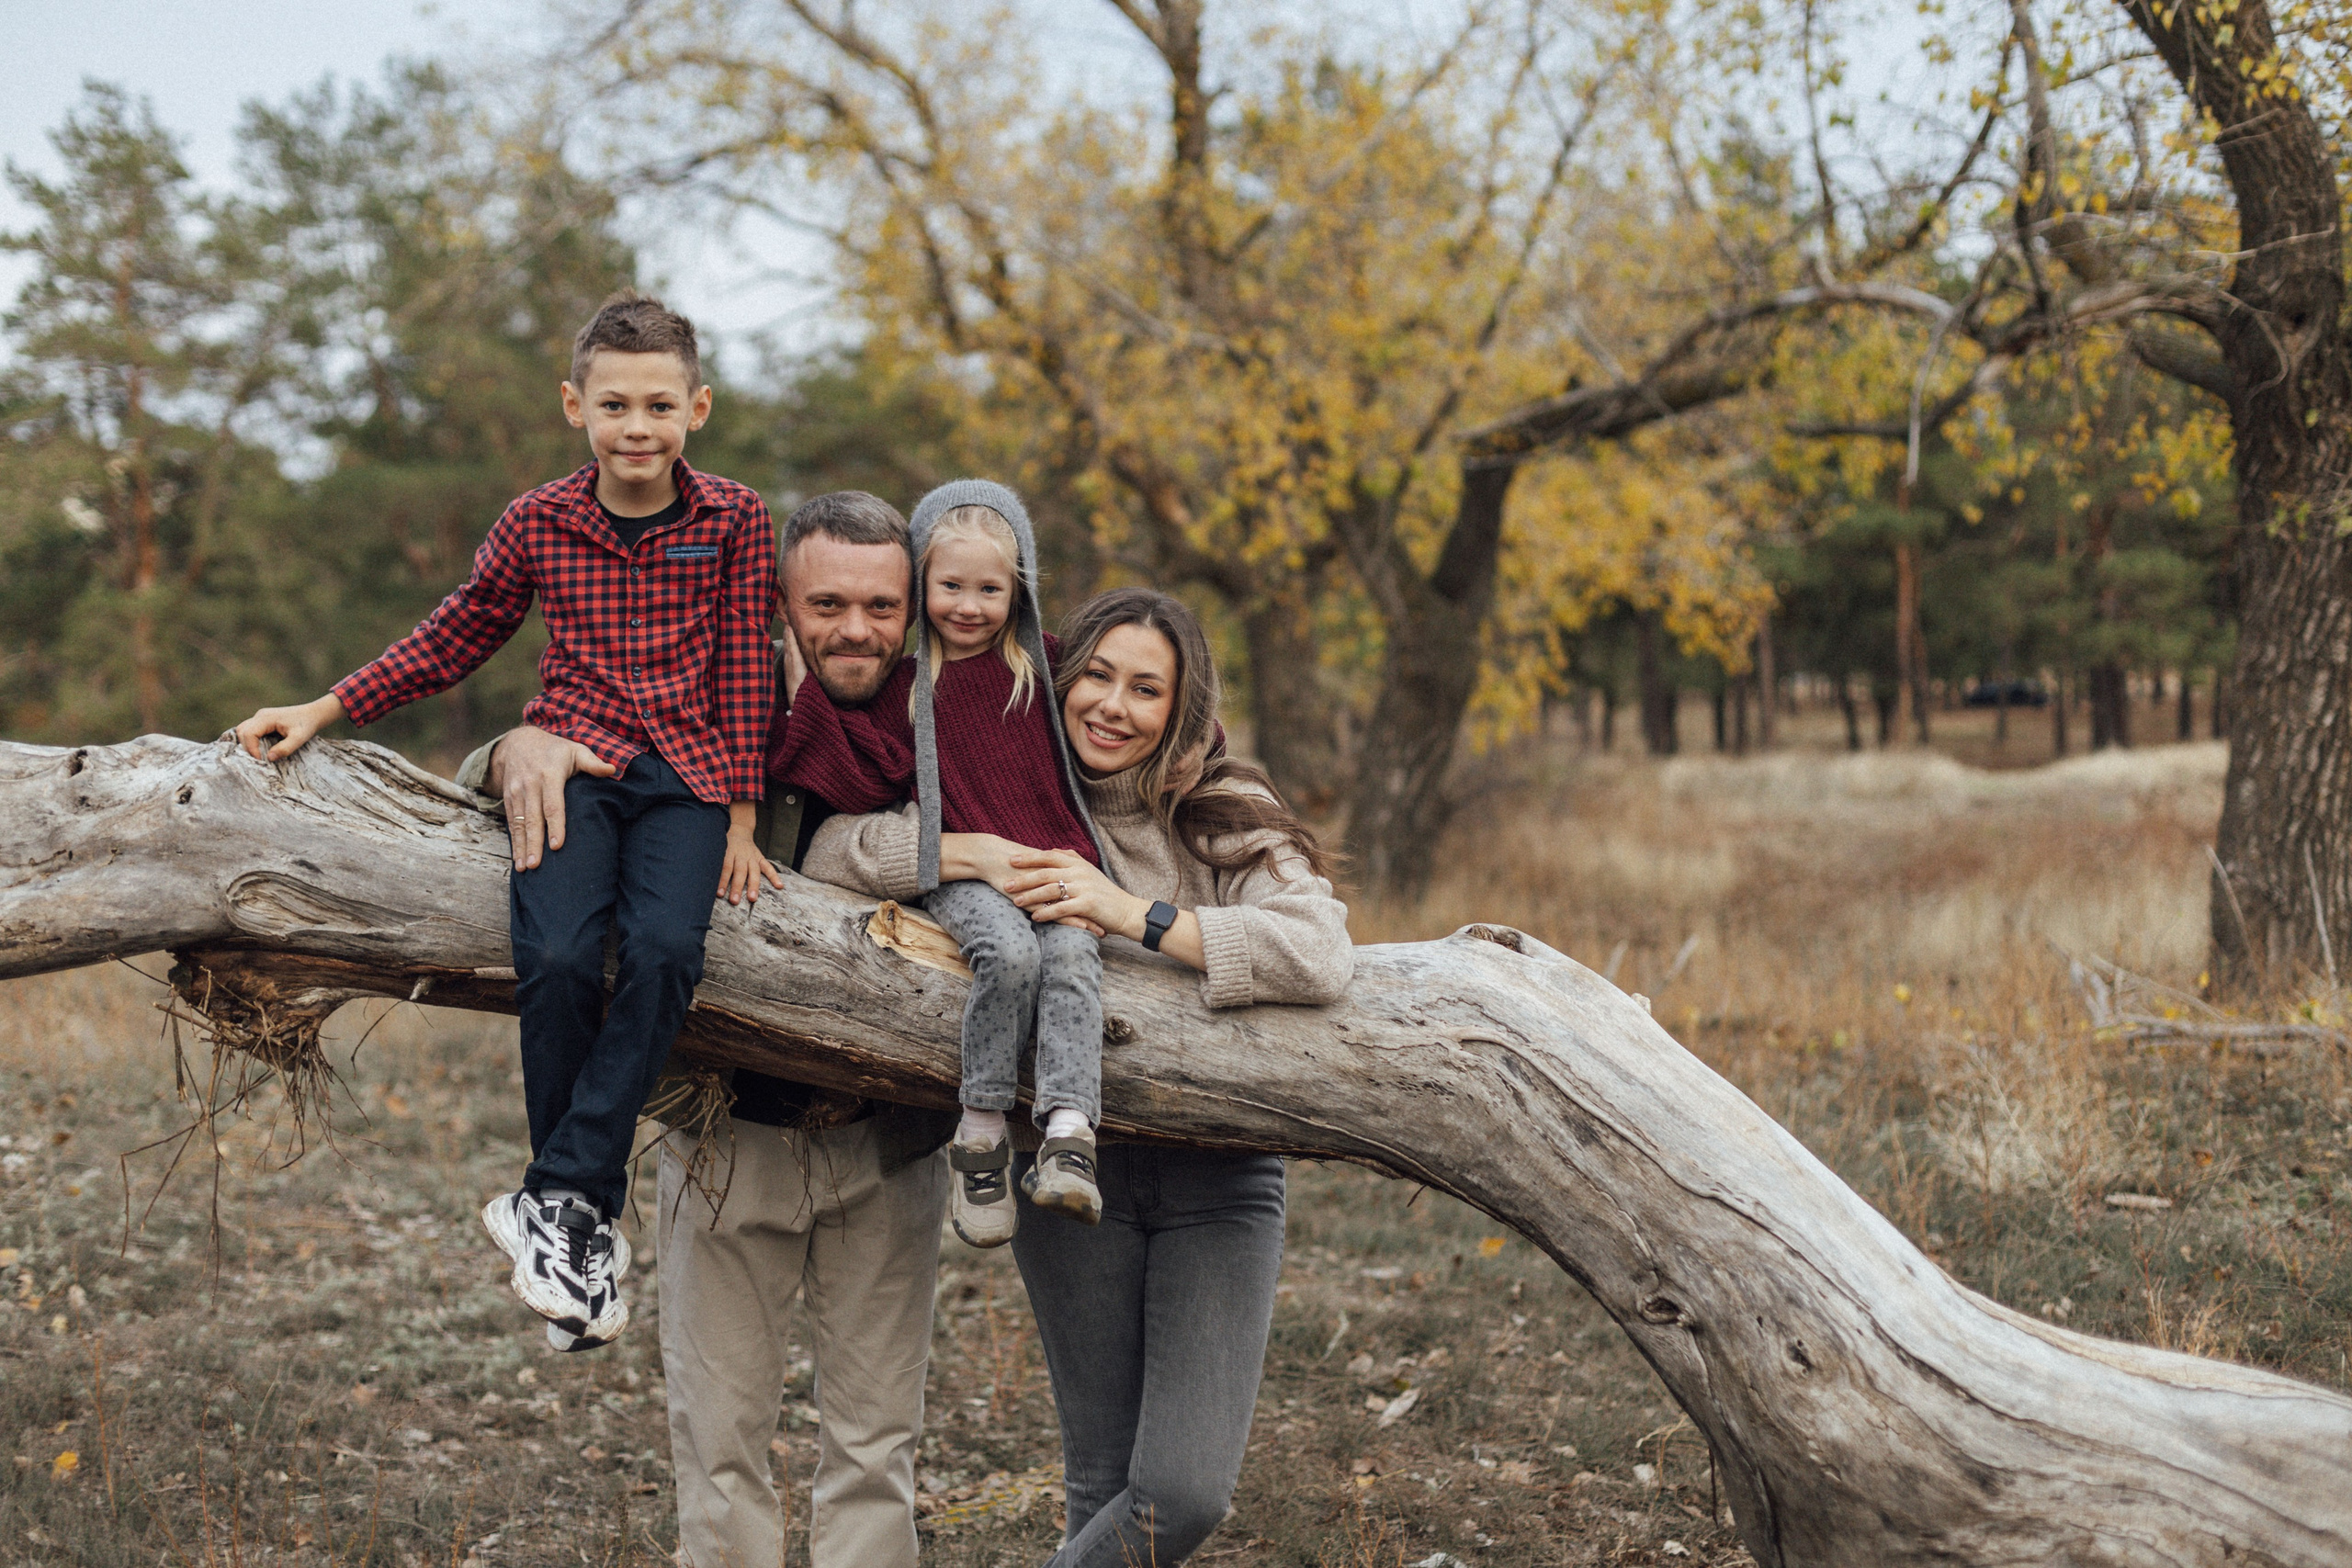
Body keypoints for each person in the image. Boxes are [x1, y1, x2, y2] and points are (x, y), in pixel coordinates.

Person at [232, 291, 776, 1349]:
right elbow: (454, 635)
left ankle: (557, 1206)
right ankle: (575, 1222)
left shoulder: (737, 518)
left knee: (665, 949)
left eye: (659, 405)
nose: (636, 427)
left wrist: (744, 816)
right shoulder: (539, 521)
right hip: (567, 764)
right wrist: (322, 708)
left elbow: (750, 668)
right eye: (613, 403)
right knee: (564, 955)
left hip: (691, 775)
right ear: (574, 404)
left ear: (698, 409)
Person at [805, 584, 1353, 1567]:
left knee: (1181, 1493)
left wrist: (1125, 911)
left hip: (1218, 1179)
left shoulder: (1220, 808)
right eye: (1094, 675)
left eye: (1146, 689)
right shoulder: (999, 781)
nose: (1112, 704)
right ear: (1055, 681)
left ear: (1180, 711)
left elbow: (1318, 952)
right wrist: (953, 847)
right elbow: (832, 849)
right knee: (1102, 1482)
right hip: (1059, 1165)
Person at [463, 491, 953, 1568]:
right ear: (775, 602)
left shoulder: (945, 723)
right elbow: (569, 749)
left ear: (913, 609)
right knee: (719, 1450)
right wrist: (512, 751)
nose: (856, 629)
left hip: (890, 1142)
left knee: (876, 1450)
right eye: (827, 603)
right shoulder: (708, 693)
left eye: (882, 605)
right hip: (729, 1141)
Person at [767, 480, 1109, 1249]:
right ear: (922, 590)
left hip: (1056, 864)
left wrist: (1197, 736)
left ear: (1019, 591)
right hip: (958, 874)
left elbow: (1133, 699)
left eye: (990, 588)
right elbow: (857, 773)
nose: (969, 605)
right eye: (949, 586)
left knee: (1075, 959)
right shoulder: (909, 686)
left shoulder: (1043, 668)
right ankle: (983, 1128)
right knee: (1011, 955)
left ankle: (1068, 1131)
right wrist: (801, 695)